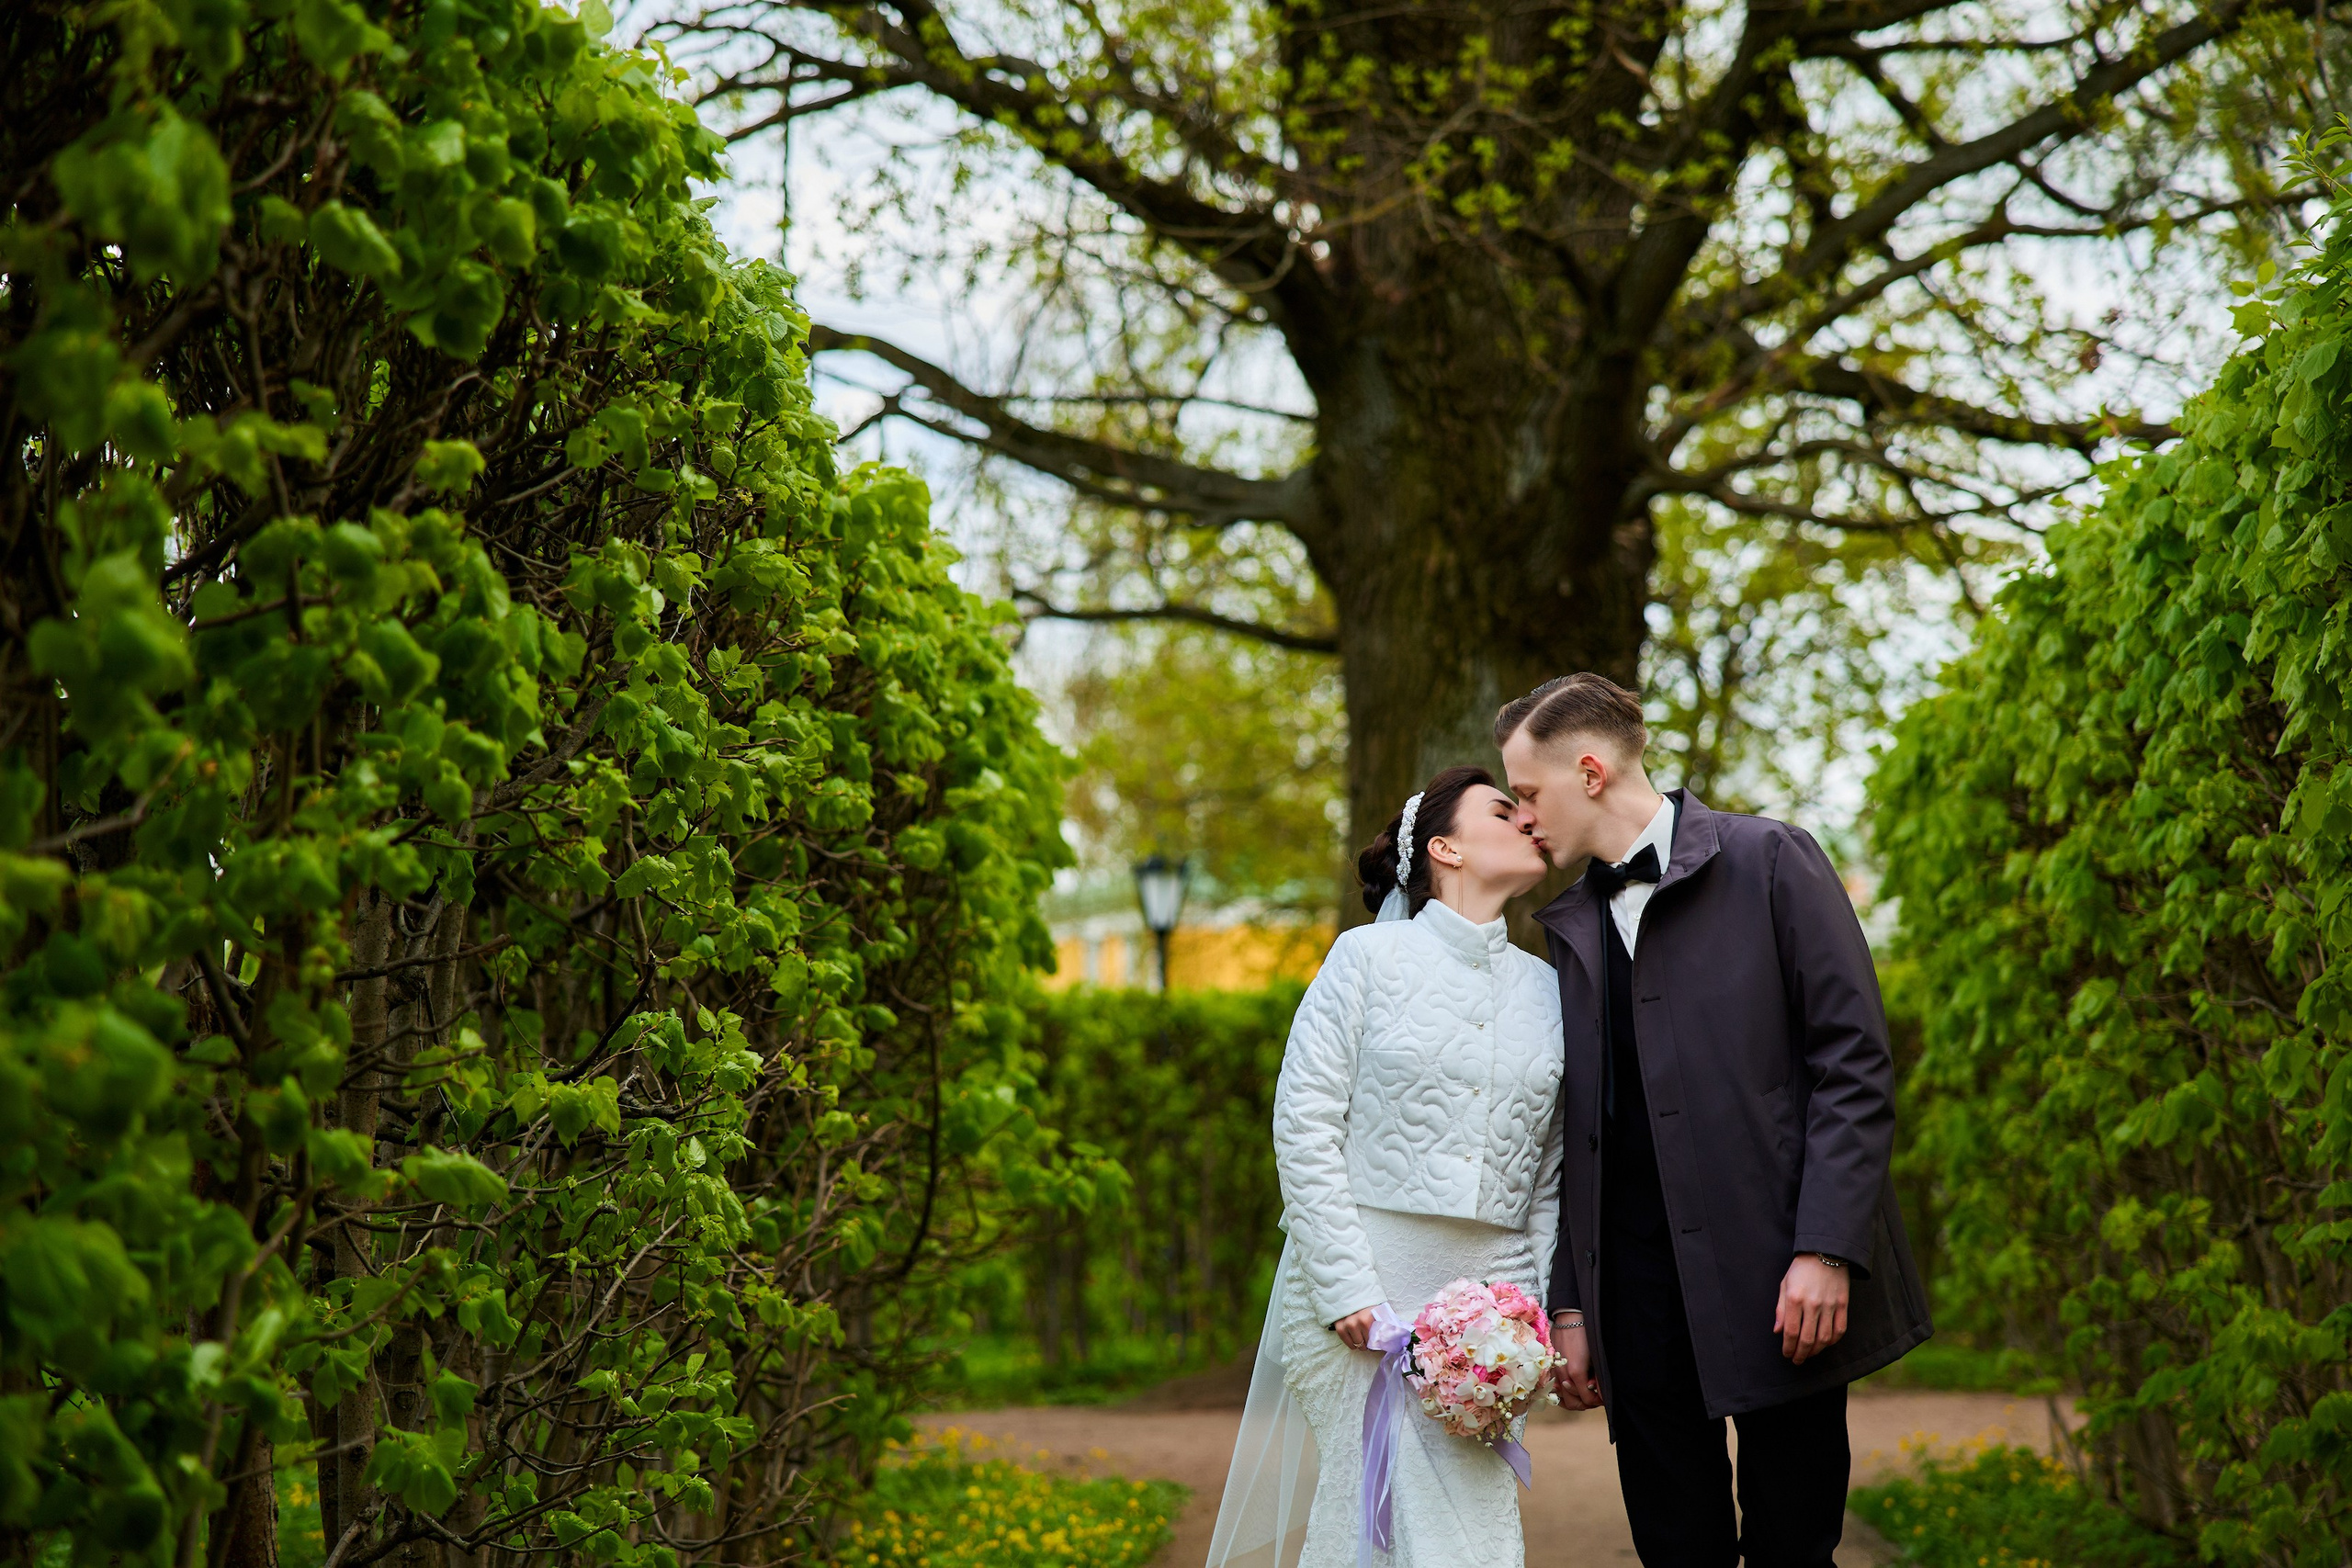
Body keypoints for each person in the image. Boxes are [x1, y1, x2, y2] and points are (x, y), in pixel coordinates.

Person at [1496, 673, 1932, 1568]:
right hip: (1635, 1296)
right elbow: (1579, 1130)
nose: (1522, 817)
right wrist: (1572, 1304)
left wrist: (1826, 1248)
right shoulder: (1564, 929)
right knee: (1674, 1549)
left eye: (1529, 793)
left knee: (1792, 1543)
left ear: (1588, 771)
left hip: (1781, 1277)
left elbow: (1851, 1066)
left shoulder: (1775, 861)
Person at [1205, 765, 1566, 1568]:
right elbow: (1303, 1122)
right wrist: (1345, 1287)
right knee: (1377, 1522)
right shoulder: (1364, 959)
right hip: (1361, 1295)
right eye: (1503, 811)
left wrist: (1532, 1317)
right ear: (1447, 848)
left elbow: (1548, 1174)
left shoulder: (1548, 989)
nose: (1527, 821)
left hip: (1493, 1312)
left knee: (1473, 1532)